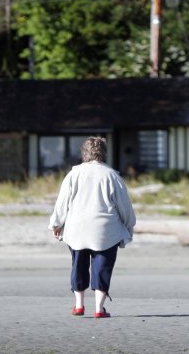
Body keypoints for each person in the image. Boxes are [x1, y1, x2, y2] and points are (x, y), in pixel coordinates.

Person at [48, 136, 136, 319]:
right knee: (102, 266)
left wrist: (56, 224)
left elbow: (62, 202)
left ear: (84, 153)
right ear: (103, 153)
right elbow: (124, 206)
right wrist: (129, 225)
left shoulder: (73, 174)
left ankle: (79, 305)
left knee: (78, 265)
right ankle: (98, 308)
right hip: (105, 230)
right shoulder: (111, 175)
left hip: (76, 228)